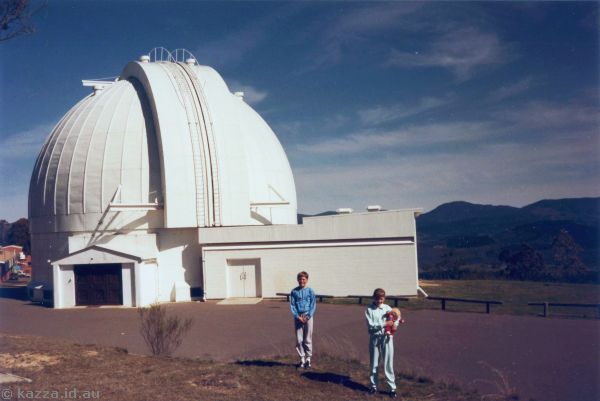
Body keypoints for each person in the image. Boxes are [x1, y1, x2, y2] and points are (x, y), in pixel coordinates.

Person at [365, 288, 399, 398]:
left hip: (387, 339)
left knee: (388, 363)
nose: (379, 301)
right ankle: (373, 386)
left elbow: (396, 317)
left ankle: (392, 388)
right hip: (375, 339)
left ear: (384, 298)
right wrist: (384, 324)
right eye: (377, 298)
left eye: (381, 299)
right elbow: (371, 327)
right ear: (373, 298)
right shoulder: (369, 310)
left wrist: (395, 324)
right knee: (374, 363)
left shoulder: (388, 308)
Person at [290, 270, 316, 369]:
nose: (302, 281)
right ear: (298, 280)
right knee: (299, 339)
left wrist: (308, 316)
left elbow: (313, 305)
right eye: (300, 279)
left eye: (304, 279)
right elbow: (292, 305)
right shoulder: (294, 292)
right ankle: (302, 359)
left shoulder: (310, 291)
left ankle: (308, 360)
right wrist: (298, 316)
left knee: (307, 338)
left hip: (308, 316)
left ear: (307, 280)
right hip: (298, 317)